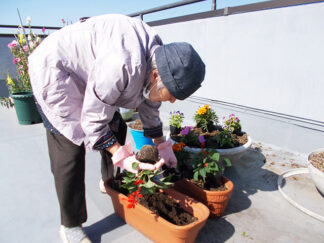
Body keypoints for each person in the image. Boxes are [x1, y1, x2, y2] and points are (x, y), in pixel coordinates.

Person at [28, 14, 205, 243]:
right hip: (56, 72)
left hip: (93, 72)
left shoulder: (160, 59)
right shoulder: (121, 64)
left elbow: (150, 104)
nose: (171, 102)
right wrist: (120, 154)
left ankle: (107, 182)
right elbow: (92, 121)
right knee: (69, 149)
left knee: (116, 128)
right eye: (171, 96)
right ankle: (71, 224)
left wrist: (162, 144)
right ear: (154, 75)